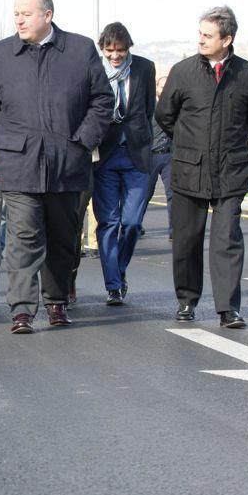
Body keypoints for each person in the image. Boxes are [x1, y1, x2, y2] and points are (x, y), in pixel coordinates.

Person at [0, 0, 113, 335]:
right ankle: (21, 309)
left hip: (68, 164)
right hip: (18, 164)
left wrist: (82, 142)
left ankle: (56, 301)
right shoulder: (1, 54)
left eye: (26, 12)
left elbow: (102, 101)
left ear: (47, 15)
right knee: (23, 237)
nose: (18, 18)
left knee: (63, 239)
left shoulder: (79, 50)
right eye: (16, 12)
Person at [155, 5, 248, 328]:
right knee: (187, 240)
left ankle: (228, 308)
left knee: (227, 240)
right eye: (199, 33)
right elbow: (165, 115)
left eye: (208, 35)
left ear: (227, 39)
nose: (200, 40)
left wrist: (228, 145)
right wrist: (190, 144)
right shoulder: (183, 71)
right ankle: (187, 301)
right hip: (189, 169)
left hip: (231, 170)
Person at [92, 22, 156, 306]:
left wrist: (144, 138)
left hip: (136, 154)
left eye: (120, 50)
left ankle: (119, 269)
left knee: (131, 223)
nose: (115, 56)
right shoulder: (94, 69)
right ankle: (114, 285)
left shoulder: (145, 68)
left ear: (128, 48)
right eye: (109, 50)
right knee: (108, 222)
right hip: (104, 155)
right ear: (102, 49)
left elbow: (148, 108)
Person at [141, 75, 174, 239]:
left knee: (173, 194)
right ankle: (135, 225)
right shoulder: (148, 105)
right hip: (151, 156)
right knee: (145, 193)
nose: (164, 89)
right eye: (161, 86)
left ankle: (174, 230)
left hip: (170, 155)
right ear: (156, 88)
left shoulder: (176, 106)